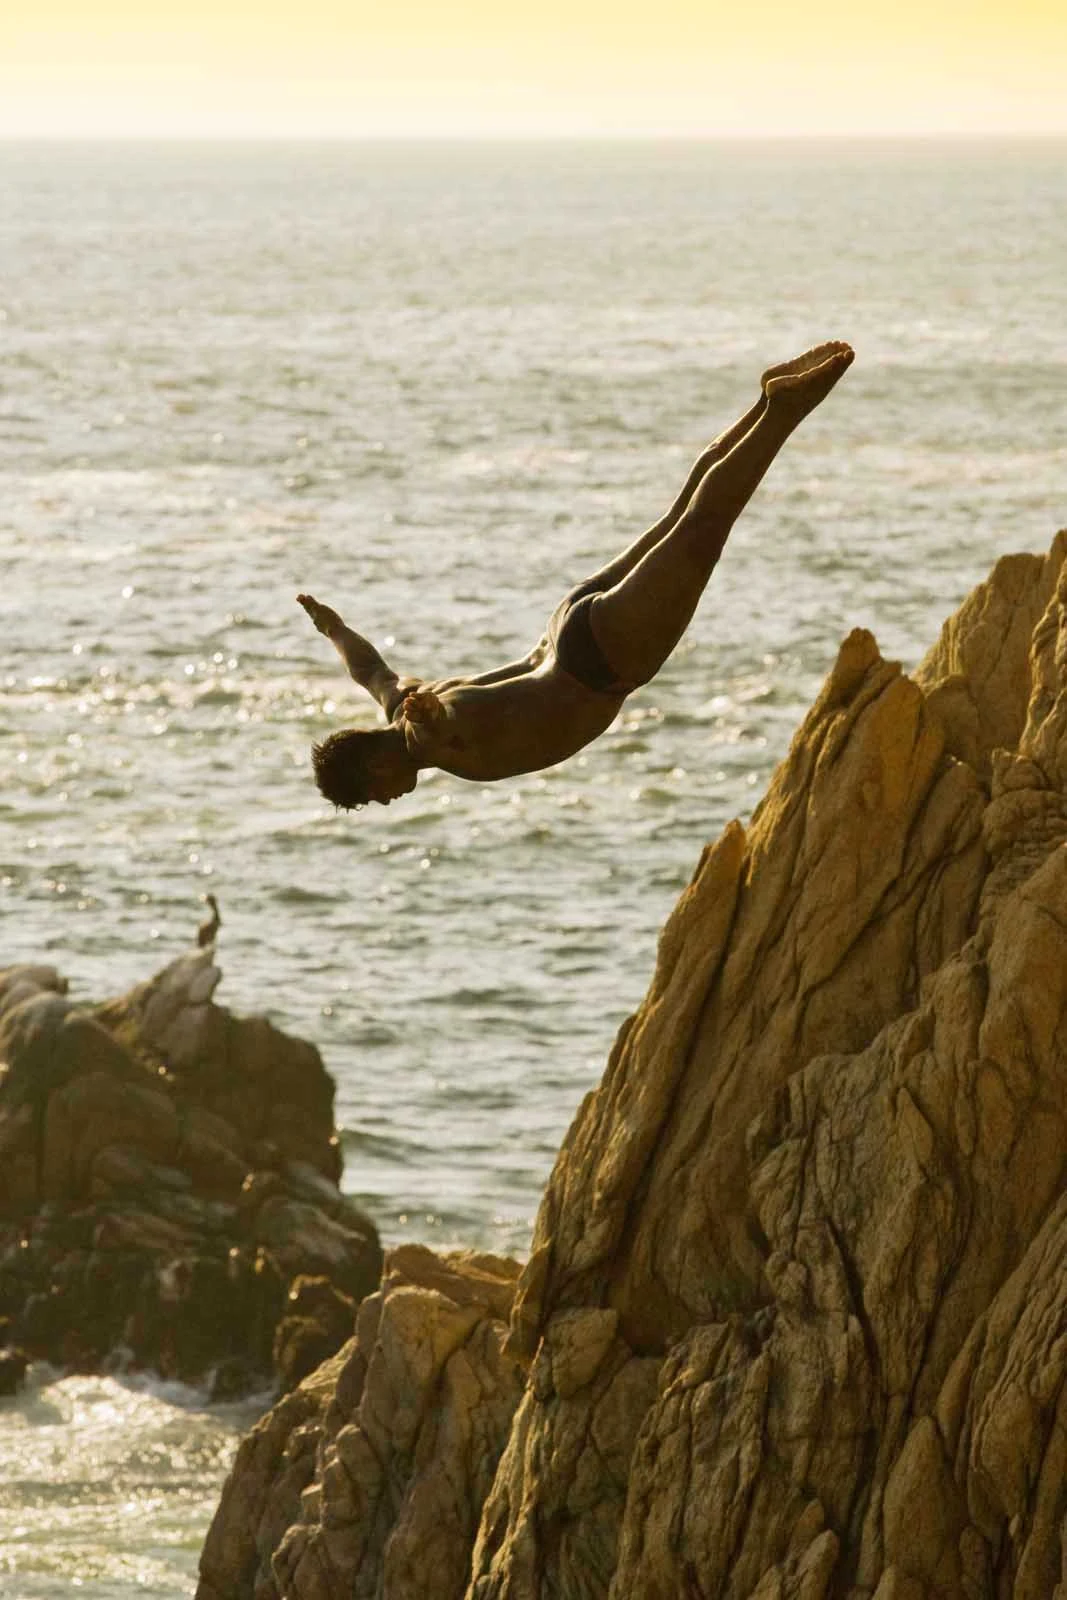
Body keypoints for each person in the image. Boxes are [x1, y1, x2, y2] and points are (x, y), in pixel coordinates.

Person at [298, 341, 853, 809]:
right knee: (680, 513)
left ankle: (782, 412)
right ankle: (762, 404)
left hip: (602, 661)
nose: (388, 801)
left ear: (373, 766)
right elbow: (367, 668)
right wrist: (332, 628)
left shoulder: (425, 737)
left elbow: (439, 721)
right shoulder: (397, 700)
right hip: (566, 624)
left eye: (374, 796)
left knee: (704, 528)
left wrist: (429, 712)